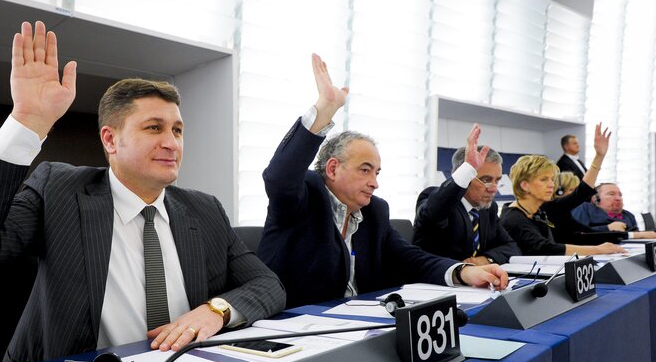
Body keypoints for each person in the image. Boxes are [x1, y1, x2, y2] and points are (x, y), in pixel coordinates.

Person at [0, 21, 285, 362]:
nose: (171, 142)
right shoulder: (60, 190)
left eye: (177, 130)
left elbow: (267, 285)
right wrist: (27, 122)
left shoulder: (204, 209)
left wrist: (215, 312)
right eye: (153, 128)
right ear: (110, 139)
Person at [257, 53, 508, 309]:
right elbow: (279, 177)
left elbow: (412, 259)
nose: (374, 183)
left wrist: (463, 272)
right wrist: (325, 110)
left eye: (377, 173)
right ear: (332, 169)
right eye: (365, 170)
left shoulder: (375, 211)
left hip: (357, 325)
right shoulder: (305, 194)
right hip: (293, 326)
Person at [501, 123, 626, 256]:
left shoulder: (542, 209)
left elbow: (580, 193)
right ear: (524, 185)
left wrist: (599, 156)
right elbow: (546, 248)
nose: (551, 185)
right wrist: (598, 250)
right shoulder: (513, 217)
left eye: (552, 179)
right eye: (544, 179)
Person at [413, 129, 520, 265]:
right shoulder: (436, 200)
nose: (494, 188)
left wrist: (485, 259)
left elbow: (511, 247)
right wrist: (467, 168)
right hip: (434, 282)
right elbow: (435, 211)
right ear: (464, 176)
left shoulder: (488, 208)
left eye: (497, 180)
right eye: (486, 180)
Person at [571, 183, 656, 238]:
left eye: (620, 195)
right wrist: (607, 228)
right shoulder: (585, 209)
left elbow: (637, 236)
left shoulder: (628, 215)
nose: (618, 198)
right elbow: (578, 235)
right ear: (595, 198)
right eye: (611, 194)